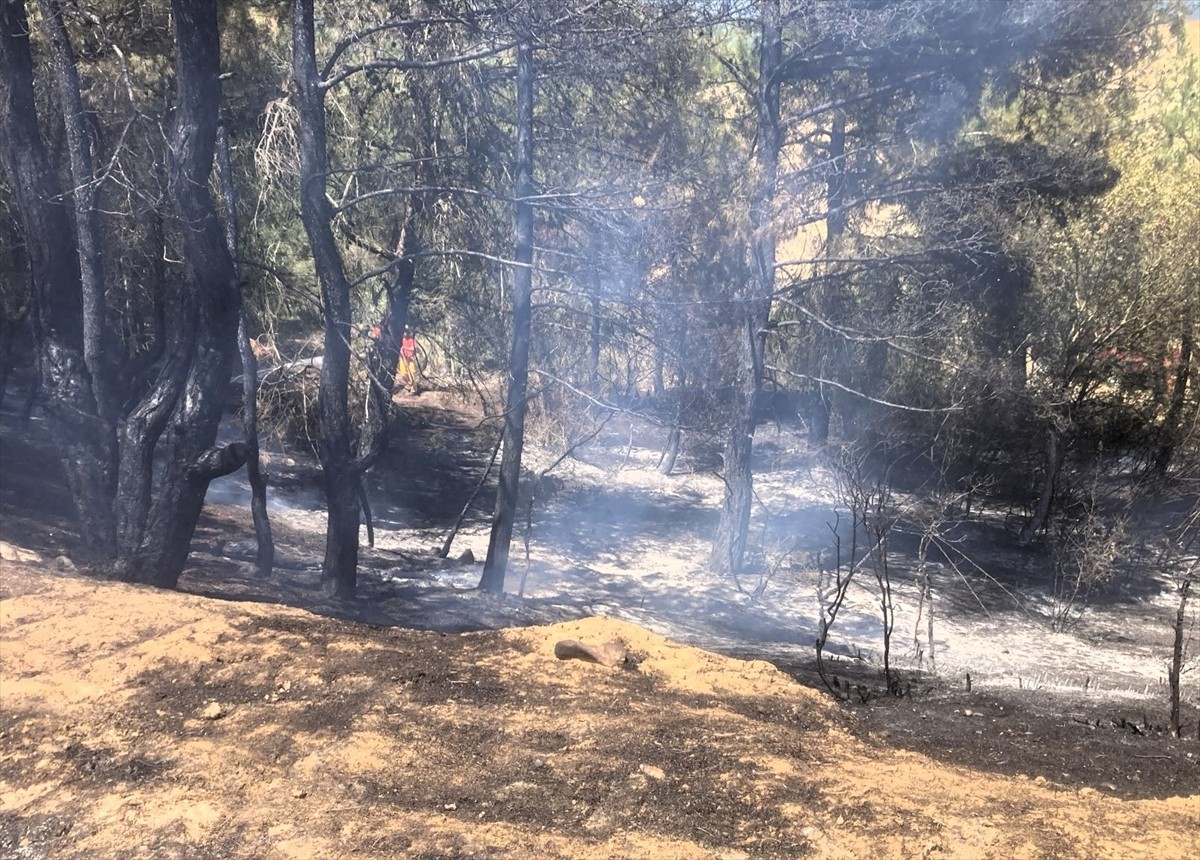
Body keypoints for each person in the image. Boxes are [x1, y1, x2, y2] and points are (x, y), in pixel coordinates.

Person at [396, 325, 418, 392]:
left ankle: (414, 388)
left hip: (410, 359)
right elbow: (399, 348)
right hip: (403, 359)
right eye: (404, 332)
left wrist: (405, 349)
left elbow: (414, 348)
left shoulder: (412, 340)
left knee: (412, 373)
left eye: (406, 332)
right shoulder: (401, 340)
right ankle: (409, 383)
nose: (405, 333)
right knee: (403, 374)